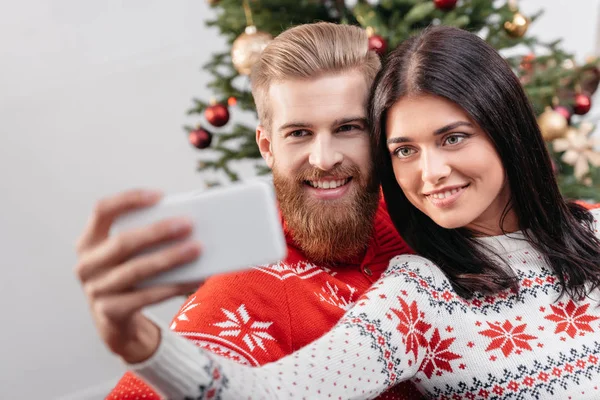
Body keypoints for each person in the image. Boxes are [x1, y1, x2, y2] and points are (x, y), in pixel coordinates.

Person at [114, 26, 600, 399]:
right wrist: (141, 342)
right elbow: (262, 392)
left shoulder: (591, 225)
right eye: (405, 149)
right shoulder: (416, 295)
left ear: (505, 128)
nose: (431, 172)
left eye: (453, 137)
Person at [75, 22, 421, 399]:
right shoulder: (240, 293)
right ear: (267, 146)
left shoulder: (420, 208)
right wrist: (140, 343)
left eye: (348, 128)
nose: (324, 160)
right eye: (299, 133)